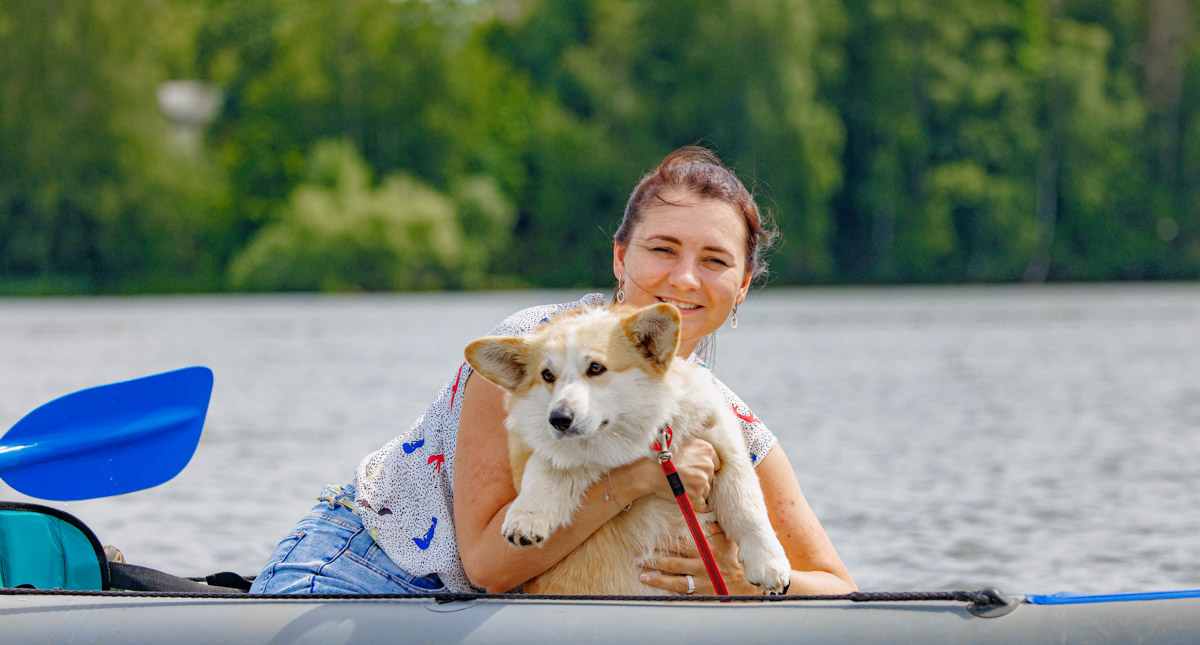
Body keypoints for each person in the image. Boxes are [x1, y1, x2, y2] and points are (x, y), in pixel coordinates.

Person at [250, 146, 856, 597]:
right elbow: (489, 565)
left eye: (715, 261)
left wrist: (738, 576)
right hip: (362, 572)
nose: (685, 279)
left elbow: (837, 587)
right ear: (621, 256)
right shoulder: (535, 349)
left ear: (743, 287)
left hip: (496, 626)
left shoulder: (730, 420)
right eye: (662, 249)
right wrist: (639, 478)